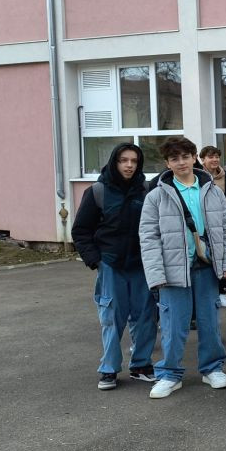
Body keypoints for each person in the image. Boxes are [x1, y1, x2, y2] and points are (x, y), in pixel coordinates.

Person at [139, 137, 226, 399]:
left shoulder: (213, 191)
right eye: (174, 158)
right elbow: (148, 238)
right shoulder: (156, 196)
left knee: (209, 322)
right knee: (173, 326)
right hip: (172, 271)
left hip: (207, 267)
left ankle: (212, 369)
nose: (181, 162)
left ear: (195, 158)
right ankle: (169, 374)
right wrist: (156, 274)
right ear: (167, 163)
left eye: (185, 156)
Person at [72, 143, 157, 390]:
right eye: (123, 160)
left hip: (142, 264)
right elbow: (81, 231)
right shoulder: (97, 192)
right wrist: (95, 260)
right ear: (114, 162)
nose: (129, 165)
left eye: (134, 161)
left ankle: (141, 365)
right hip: (111, 264)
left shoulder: (147, 190)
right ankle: (109, 369)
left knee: (146, 316)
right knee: (112, 317)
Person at [200, 145, 226, 307]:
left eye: (217, 156)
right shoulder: (198, 177)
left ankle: (223, 290)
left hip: (222, 224)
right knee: (209, 260)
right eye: (211, 157)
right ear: (202, 159)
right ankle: (214, 292)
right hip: (205, 226)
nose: (215, 159)